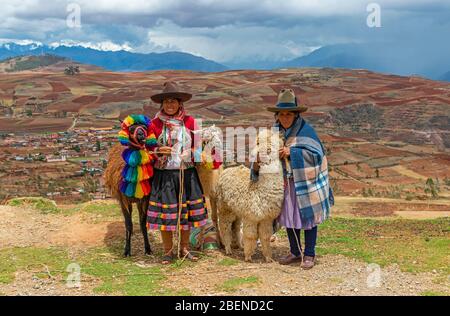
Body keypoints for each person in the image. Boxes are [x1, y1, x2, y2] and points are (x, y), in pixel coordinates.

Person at [265, 88, 334, 269]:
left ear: (296, 115)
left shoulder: (306, 131)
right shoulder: (275, 131)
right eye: (282, 114)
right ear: (277, 115)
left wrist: (292, 152)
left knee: (308, 217)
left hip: (306, 182)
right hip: (286, 182)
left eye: (289, 114)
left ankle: (309, 253)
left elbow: (316, 155)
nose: (285, 117)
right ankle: (295, 251)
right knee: (289, 216)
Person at [146, 82, 208, 264]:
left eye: (174, 102)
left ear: (180, 103)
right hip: (164, 176)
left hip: (186, 174)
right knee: (167, 215)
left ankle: (185, 248)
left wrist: (191, 153)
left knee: (186, 212)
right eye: (166, 102)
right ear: (162, 104)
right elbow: (147, 150)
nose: (170, 105)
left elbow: (199, 149)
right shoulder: (155, 124)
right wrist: (158, 150)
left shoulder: (190, 122)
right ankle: (168, 250)